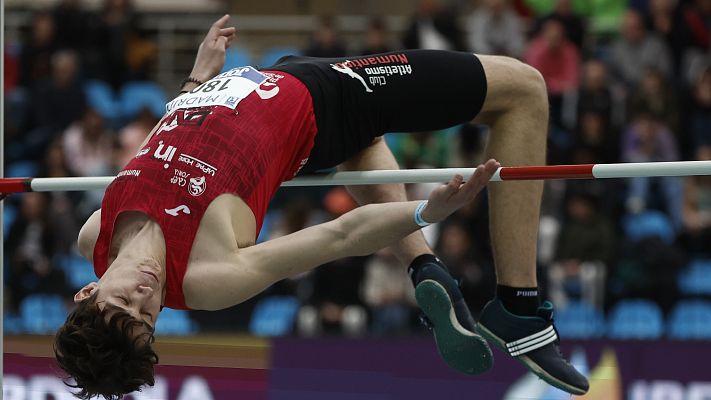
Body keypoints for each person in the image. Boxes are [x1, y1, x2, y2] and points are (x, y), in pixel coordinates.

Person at [53, 15, 588, 399]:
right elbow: (339, 237)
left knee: (364, 146)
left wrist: (195, 83)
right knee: (524, 89)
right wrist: (429, 209)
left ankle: (424, 266)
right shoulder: (206, 276)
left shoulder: (95, 232)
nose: (147, 297)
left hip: (266, 82)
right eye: (149, 318)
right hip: (325, 97)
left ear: (88, 288)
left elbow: (159, 150)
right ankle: (518, 306)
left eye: (124, 303)